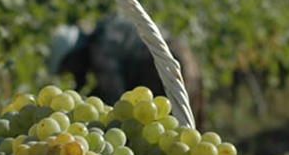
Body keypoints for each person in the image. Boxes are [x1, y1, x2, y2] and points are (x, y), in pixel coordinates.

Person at [48, 13, 206, 127]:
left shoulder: (101, 49)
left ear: (75, 54)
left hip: (161, 67)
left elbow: (115, 100)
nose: (73, 72)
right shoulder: (107, 29)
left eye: (69, 67)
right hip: (179, 55)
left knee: (167, 131)